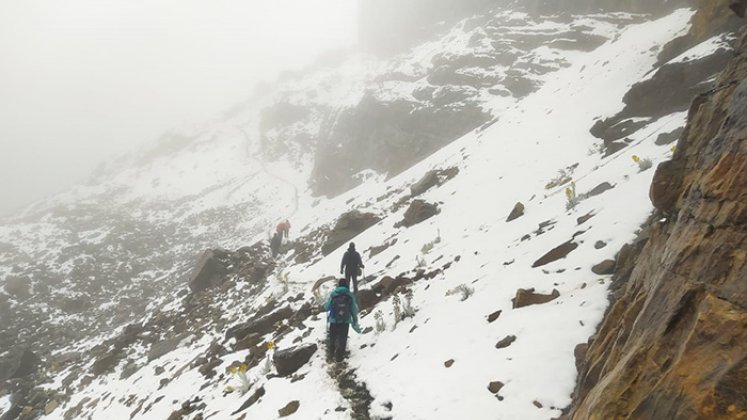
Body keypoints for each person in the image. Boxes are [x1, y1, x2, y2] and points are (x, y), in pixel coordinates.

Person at [323, 279, 361, 362]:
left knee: (332, 338)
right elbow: (354, 310)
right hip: (345, 321)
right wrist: (355, 321)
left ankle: (331, 355)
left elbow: (326, 307)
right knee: (342, 339)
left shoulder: (333, 294)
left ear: (339, 285)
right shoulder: (349, 295)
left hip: (334, 320)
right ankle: (339, 358)